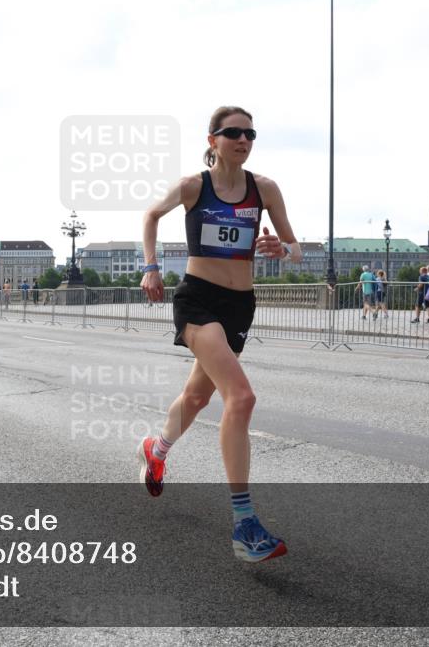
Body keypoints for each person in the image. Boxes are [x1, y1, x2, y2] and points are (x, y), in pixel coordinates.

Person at [137, 106, 301, 564]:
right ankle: (244, 524)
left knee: (195, 399)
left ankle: (156, 448)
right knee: (242, 397)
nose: (243, 140)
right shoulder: (195, 186)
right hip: (198, 300)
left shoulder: (264, 189)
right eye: (234, 133)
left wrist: (280, 248)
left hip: (239, 305)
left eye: (250, 133)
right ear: (212, 139)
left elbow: (296, 249)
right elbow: (152, 215)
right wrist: (151, 268)